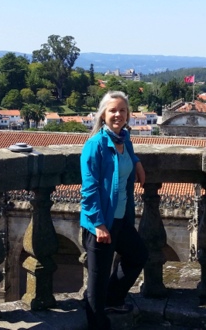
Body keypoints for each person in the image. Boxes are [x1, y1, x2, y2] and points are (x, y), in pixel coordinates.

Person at [80, 91, 148, 329]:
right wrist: (98, 224)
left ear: (128, 115)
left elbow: (127, 152)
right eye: (112, 110)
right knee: (96, 283)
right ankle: (98, 325)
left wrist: (137, 162)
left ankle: (113, 298)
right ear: (103, 115)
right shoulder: (95, 145)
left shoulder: (123, 138)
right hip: (101, 223)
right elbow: (89, 190)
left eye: (122, 110)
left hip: (120, 219)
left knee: (138, 255)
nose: (117, 114)